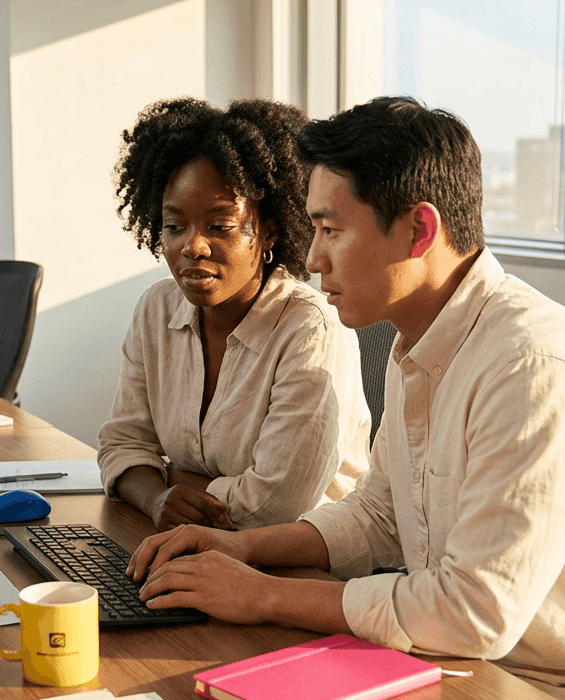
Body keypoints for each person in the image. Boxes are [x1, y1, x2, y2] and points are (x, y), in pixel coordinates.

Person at [128, 96, 565, 700]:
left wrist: (262, 594)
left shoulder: (531, 367)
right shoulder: (419, 344)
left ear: (419, 231)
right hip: (478, 673)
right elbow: (380, 513)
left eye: (330, 230)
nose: (311, 257)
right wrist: (242, 549)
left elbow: (471, 611)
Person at [98, 97, 371, 532]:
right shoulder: (156, 310)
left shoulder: (311, 329)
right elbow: (122, 444)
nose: (193, 246)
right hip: (194, 543)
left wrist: (176, 482)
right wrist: (156, 498)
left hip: (298, 568)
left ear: (268, 232)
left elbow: (275, 502)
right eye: (174, 226)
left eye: (219, 226)